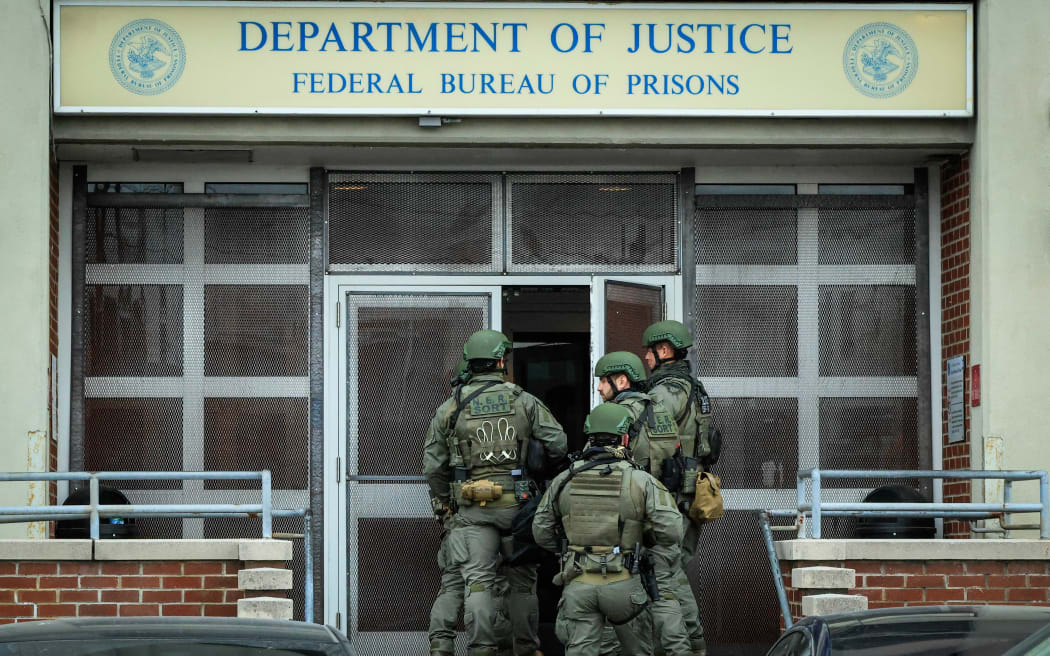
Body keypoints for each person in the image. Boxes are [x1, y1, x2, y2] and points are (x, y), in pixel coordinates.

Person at [424, 330, 568, 656]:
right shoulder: (524, 401)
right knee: (522, 584)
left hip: (472, 509)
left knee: (477, 582)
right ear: (501, 360)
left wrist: (445, 504)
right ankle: (527, 648)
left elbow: (433, 466)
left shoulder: (450, 409)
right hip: (518, 505)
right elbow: (558, 444)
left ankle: (482, 649)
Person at [532, 403, 685, 656]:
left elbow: (541, 531)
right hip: (625, 585)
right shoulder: (641, 480)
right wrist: (644, 537)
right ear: (625, 438)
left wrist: (567, 548)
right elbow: (672, 531)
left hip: (578, 584)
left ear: (589, 439)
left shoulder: (565, 480)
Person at [593, 351, 692, 656]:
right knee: (668, 589)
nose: (599, 388)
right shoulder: (661, 412)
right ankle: (690, 647)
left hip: (626, 522)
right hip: (661, 514)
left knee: (616, 593)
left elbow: (597, 470)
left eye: (603, 381)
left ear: (621, 380)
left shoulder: (616, 417)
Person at [642, 320, 717, 656]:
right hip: (692, 494)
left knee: (664, 574)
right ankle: (695, 644)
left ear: (664, 350)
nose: (645, 357)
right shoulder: (695, 389)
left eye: (650, 350)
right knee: (672, 572)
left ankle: (688, 646)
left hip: (670, 497)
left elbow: (651, 445)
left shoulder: (664, 392)